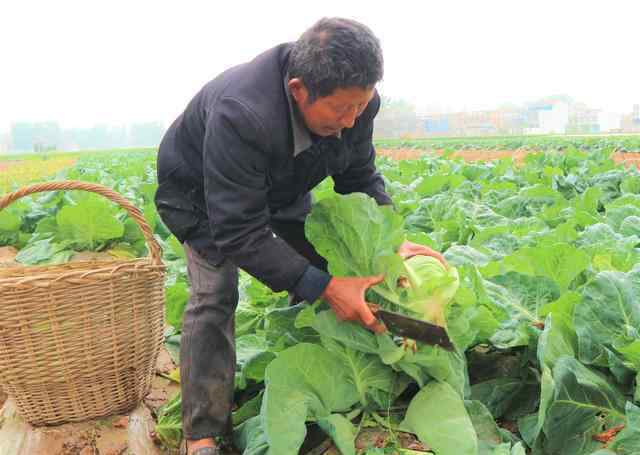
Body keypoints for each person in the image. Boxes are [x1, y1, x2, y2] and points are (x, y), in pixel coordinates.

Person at [154, 17, 445, 455]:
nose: (351, 121)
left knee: (327, 266)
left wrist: (390, 245)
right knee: (214, 295)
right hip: (201, 194)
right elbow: (239, 231)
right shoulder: (241, 112)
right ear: (298, 90)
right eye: (340, 110)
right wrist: (326, 289)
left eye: (360, 108)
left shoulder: (355, 101)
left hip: (283, 181)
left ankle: (316, 371)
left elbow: (360, 176)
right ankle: (202, 433)